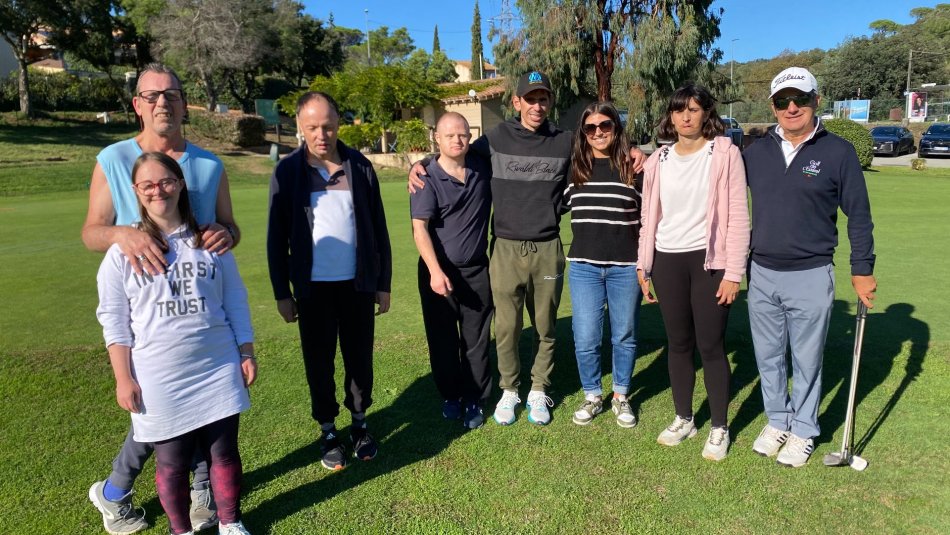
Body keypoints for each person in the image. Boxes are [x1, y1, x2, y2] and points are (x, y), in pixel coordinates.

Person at [410, 71, 645, 426]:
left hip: (548, 246)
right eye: (530, 99)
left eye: (544, 98)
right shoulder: (495, 139)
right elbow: (453, 153)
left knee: (545, 325)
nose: (537, 106)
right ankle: (509, 390)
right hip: (504, 248)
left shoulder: (565, 141)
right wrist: (422, 163)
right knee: (506, 327)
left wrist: (634, 148)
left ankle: (538, 390)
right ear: (516, 102)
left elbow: (602, 146)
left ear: (550, 102)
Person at [83, 63, 239, 534]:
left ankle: (196, 494)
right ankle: (115, 489)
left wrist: (224, 235)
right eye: (151, 95)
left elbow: (231, 229)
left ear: (183, 101)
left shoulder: (210, 165)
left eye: (171, 94)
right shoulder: (113, 158)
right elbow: (92, 232)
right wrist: (121, 236)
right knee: (156, 418)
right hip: (143, 313)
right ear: (137, 104)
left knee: (193, 417)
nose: (162, 103)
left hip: (195, 310)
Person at [96, 152, 257, 535]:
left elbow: (234, 298)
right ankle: (180, 530)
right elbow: (114, 321)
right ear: (136, 191)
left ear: (181, 184)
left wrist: (245, 350)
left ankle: (230, 523)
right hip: (158, 374)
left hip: (216, 364)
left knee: (224, 453)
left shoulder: (208, 240)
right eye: (147, 185)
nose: (158, 191)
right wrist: (124, 379)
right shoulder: (121, 253)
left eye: (166, 181)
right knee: (171, 462)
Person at [743, 67, 876, 467]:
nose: (792, 107)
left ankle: (803, 430)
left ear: (817, 99)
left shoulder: (838, 151)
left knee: (806, 358)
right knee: (768, 357)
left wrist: (862, 267)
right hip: (761, 272)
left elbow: (859, 216)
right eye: (783, 101)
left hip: (812, 272)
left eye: (800, 98)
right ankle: (777, 420)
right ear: (773, 105)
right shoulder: (755, 152)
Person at [266, 91, 392, 471]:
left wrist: (383, 283)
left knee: (359, 359)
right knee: (318, 363)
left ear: (339, 124)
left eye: (328, 126)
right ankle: (327, 429)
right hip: (312, 290)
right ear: (301, 128)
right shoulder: (287, 172)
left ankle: (359, 424)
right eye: (312, 128)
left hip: (358, 285)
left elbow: (379, 230)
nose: (322, 134)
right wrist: (281, 293)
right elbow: (276, 238)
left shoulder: (360, 166)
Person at [636, 84, 750, 461]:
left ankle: (719, 427)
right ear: (670, 116)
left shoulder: (724, 153)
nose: (686, 116)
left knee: (711, 346)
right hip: (667, 260)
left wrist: (734, 272)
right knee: (678, 343)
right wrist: (644, 264)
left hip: (709, 262)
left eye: (694, 109)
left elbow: (737, 215)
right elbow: (647, 219)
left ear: (706, 114)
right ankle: (684, 417)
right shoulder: (658, 161)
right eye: (679, 110)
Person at [410, 112, 493, 430]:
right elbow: (420, 229)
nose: (458, 140)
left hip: (476, 270)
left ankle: (475, 397)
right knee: (442, 339)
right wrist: (434, 270)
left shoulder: (481, 165)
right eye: (450, 136)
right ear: (437, 139)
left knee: (476, 339)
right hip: (437, 272)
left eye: (463, 134)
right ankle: (451, 396)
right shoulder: (425, 176)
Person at [563, 102, 643, 428]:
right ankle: (593, 394)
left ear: (616, 128)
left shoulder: (633, 169)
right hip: (584, 267)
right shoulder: (574, 170)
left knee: (623, 334)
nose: (598, 132)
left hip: (625, 266)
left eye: (605, 125)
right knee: (585, 337)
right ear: (583, 133)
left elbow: (651, 218)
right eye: (591, 128)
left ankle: (620, 396)